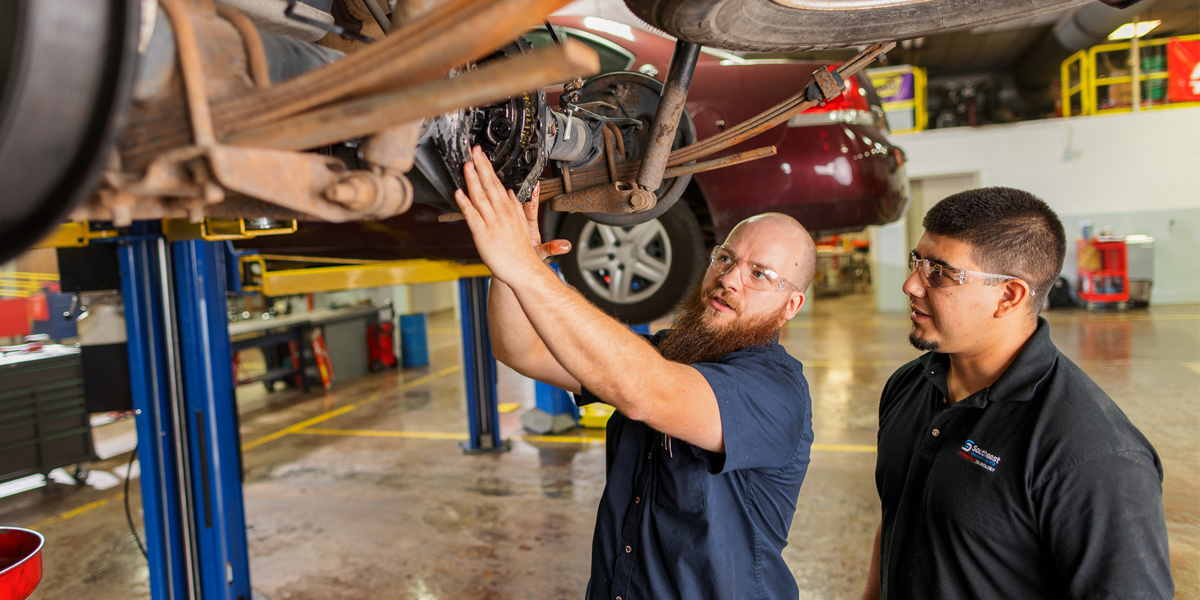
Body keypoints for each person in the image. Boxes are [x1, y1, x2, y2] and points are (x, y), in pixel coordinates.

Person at [452, 145, 818, 600]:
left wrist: (527, 272)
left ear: (791, 305)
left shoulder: (774, 391)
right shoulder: (670, 353)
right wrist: (512, 268)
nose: (730, 278)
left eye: (760, 274)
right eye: (726, 258)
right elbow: (519, 349)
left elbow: (645, 391)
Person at [862, 187, 1173, 600]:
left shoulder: (1091, 453)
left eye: (938, 271)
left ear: (1008, 296)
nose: (911, 285)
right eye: (916, 262)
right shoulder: (910, 385)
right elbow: (897, 516)